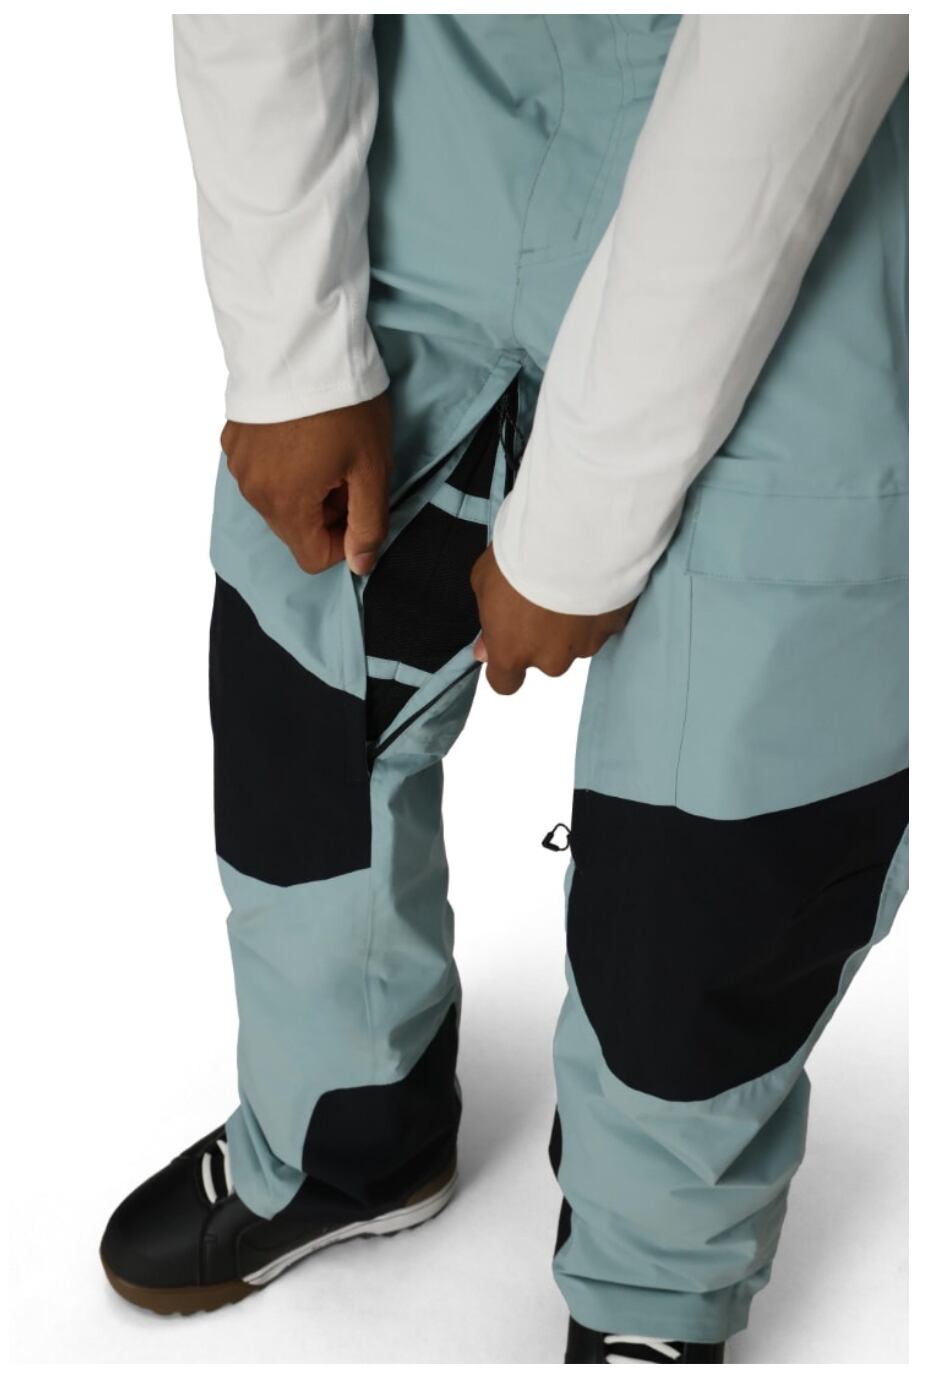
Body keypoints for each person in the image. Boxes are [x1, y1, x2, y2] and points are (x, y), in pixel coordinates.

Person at [99, 14, 909, 1364]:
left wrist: (580, 526)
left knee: (734, 820)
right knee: (305, 676)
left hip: (810, 171)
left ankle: (651, 1290)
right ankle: (345, 1136)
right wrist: (294, 357)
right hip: (463, 91)